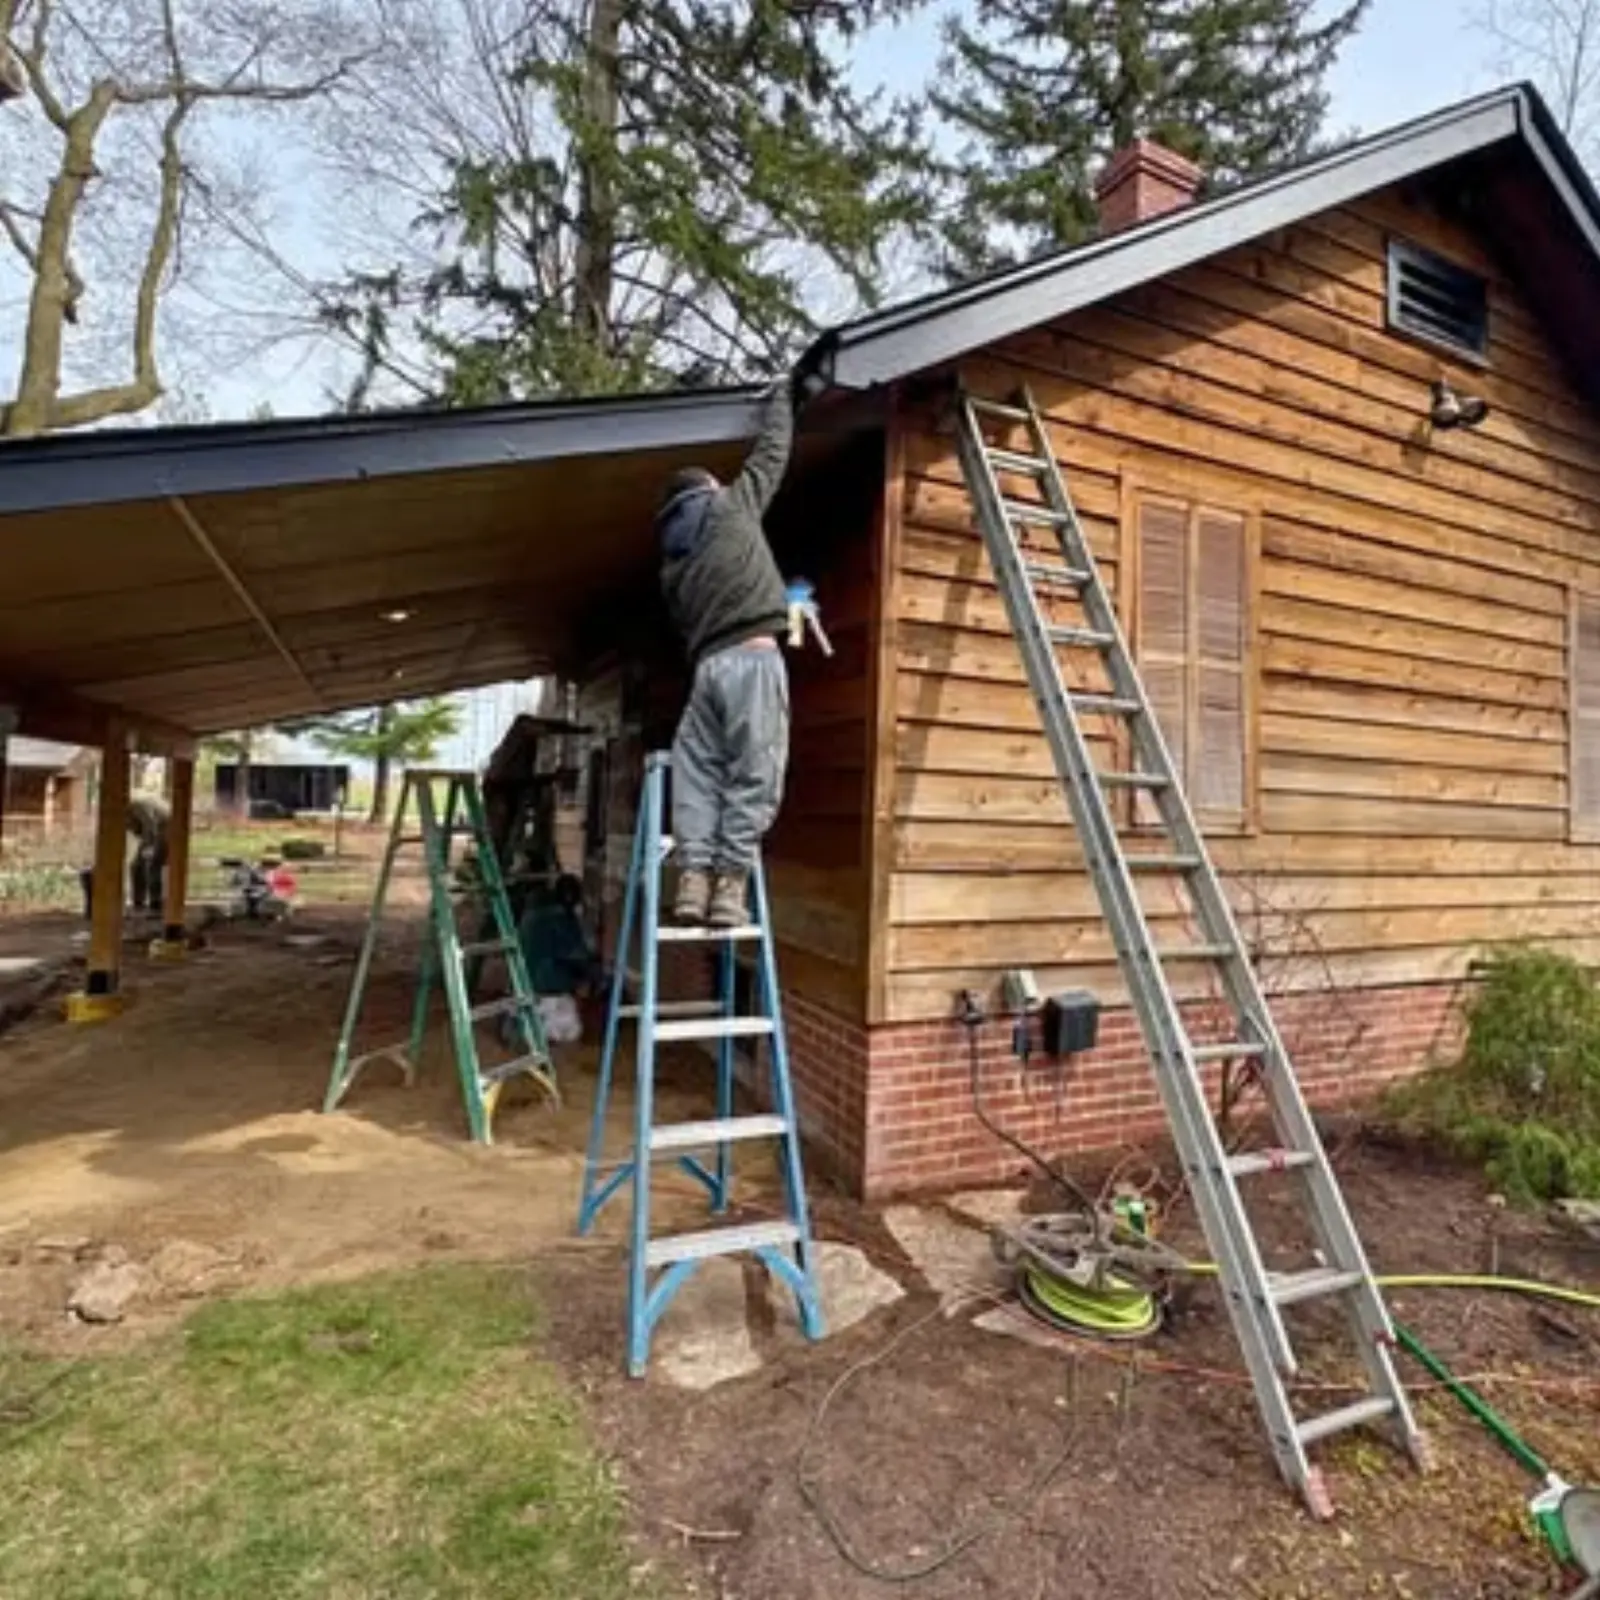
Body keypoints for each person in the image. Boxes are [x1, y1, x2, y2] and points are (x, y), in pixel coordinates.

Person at [656, 365, 822, 926]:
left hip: (707, 670)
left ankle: (692, 882)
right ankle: (730, 886)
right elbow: (773, 453)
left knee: (698, 772)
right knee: (755, 768)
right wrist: (783, 395)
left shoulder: (671, 565)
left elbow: (682, 626)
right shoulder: (730, 508)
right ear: (708, 491)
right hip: (753, 659)